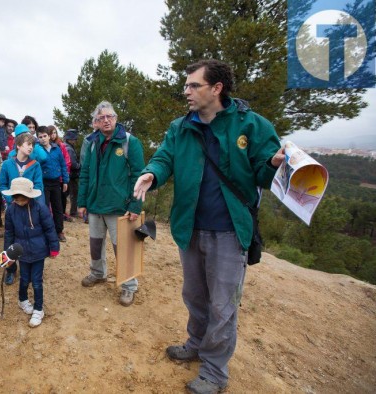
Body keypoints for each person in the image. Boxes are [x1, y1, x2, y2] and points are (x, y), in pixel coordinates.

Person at [133, 59, 285, 394]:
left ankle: (214, 372)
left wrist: (273, 163)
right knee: (195, 295)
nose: (186, 91)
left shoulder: (251, 125)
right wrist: (151, 173)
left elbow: (264, 173)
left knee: (223, 305)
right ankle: (196, 344)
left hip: (230, 231)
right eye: (186, 85)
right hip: (190, 227)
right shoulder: (180, 127)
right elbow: (165, 157)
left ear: (216, 88)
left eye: (193, 85)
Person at [78, 101, 145, 307]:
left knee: (124, 248)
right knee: (95, 245)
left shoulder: (129, 142)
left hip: (120, 207)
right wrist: (82, 202)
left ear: (116, 119)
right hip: (95, 205)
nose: (106, 120)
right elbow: (85, 173)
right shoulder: (91, 143)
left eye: (109, 116)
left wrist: (135, 206)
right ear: (96, 123)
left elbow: (138, 176)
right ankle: (98, 273)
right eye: (101, 118)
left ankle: (129, 286)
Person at [3, 177, 59, 327]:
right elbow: (8, 233)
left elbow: (49, 228)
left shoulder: (40, 208)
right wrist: (6, 255)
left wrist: (54, 247)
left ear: (29, 196)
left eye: (22, 198)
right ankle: (22, 300)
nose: (19, 201)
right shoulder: (10, 211)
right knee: (24, 278)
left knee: (36, 281)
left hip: (39, 250)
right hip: (21, 251)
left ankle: (38, 309)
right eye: (16, 198)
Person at [0, 131, 44, 285]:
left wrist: (28, 199)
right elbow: (2, 184)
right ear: (18, 145)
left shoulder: (35, 165)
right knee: (9, 238)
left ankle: (28, 269)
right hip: (12, 207)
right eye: (28, 144)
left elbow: (38, 185)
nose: (31, 147)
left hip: (29, 208)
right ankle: (9, 269)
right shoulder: (7, 164)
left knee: (28, 238)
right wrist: (12, 199)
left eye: (32, 144)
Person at [36, 126, 69, 242]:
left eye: (45, 136)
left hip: (56, 183)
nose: (43, 139)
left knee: (58, 208)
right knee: (44, 208)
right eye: (40, 137)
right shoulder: (37, 151)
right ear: (37, 138)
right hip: (44, 183)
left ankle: (59, 231)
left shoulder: (57, 149)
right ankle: (45, 232)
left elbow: (63, 165)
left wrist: (65, 180)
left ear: (49, 136)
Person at [47, 125, 72, 222]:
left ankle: (62, 214)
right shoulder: (45, 146)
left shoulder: (61, 145)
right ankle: (52, 214)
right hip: (53, 178)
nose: (53, 135)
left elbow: (66, 160)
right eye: (51, 133)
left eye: (54, 133)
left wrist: (64, 173)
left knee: (62, 197)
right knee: (53, 199)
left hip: (62, 176)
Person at [63, 129, 81, 219]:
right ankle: (73, 212)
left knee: (65, 193)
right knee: (74, 193)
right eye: (74, 139)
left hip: (67, 174)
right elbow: (73, 164)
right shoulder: (69, 148)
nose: (75, 141)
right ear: (70, 139)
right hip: (71, 175)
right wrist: (79, 166)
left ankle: (63, 211)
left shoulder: (66, 146)